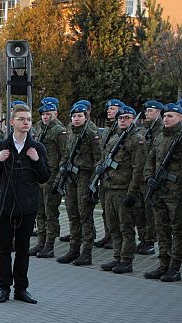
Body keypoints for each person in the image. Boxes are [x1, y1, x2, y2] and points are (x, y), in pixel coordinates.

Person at [0, 104, 50, 304]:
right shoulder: (1, 147)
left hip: (27, 207)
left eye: (29, 119)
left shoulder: (36, 148)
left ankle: (21, 289)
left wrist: (37, 160)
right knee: (4, 249)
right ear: (12, 122)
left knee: (23, 249)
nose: (26, 123)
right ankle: (4, 288)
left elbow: (45, 177)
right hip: (5, 206)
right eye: (21, 119)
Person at [99, 106, 147, 274]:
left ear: (133, 119)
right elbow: (104, 160)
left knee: (126, 227)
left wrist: (132, 192)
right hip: (110, 188)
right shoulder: (114, 139)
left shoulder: (137, 140)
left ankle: (127, 261)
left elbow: (138, 169)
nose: (123, 120)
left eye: (127, 118)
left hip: (124, 190)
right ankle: (117, 256)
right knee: (113, 227)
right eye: (120, 118)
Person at [55, 103, 102, 266]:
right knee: (72, 213)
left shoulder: (91, 133)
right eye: (74, 116)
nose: (76, 119)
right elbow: (66, 154)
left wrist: (94, 182)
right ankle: (74, 249)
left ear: (86, 117)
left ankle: (86, 252)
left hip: (84, 176)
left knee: (85, 214)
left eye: (79, 116)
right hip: (71, 178)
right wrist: (61, 170)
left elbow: (98, 159)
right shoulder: (70, 131)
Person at [143, 103, 182, 282]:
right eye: (165, 116)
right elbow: (150, 161)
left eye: (171, 116)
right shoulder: (159, 137)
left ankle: (175, 267)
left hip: (176, 193)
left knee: (177, 230)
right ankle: (163, 263)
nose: (166, 119)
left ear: (180, 118)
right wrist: (149, 177)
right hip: (159, 191)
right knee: (161, 228)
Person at [29, 102, 67, 258]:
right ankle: (41, 242)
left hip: (51, 177)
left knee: (50, 212)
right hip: (39, 174)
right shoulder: (40, 128)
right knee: (39, 211)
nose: (45, 116)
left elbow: (65, 155)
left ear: (55, 114)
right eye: (43, 114)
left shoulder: (59, 131)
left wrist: (58, 178)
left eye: (48, 114)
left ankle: (49, 245)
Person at [94, 99, 125, 249]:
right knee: (106, 208)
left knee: (116, 210)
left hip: (117, 177)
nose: (109, 111)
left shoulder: (121, 130)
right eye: (108, 108)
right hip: (104, 174)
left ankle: (116, 238)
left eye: (113, 108)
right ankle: (108, 234)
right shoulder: (107, 129)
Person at [135, 100, 163, 255]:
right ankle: (143, 238)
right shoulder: (144, 129)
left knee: (149, 209)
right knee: (139, 209)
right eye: (146, 111)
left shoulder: (161, 131)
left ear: (159, 112)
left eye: (150, 111)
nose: (147, 113)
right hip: (139, 174)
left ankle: (151, 241)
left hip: (150, 176)